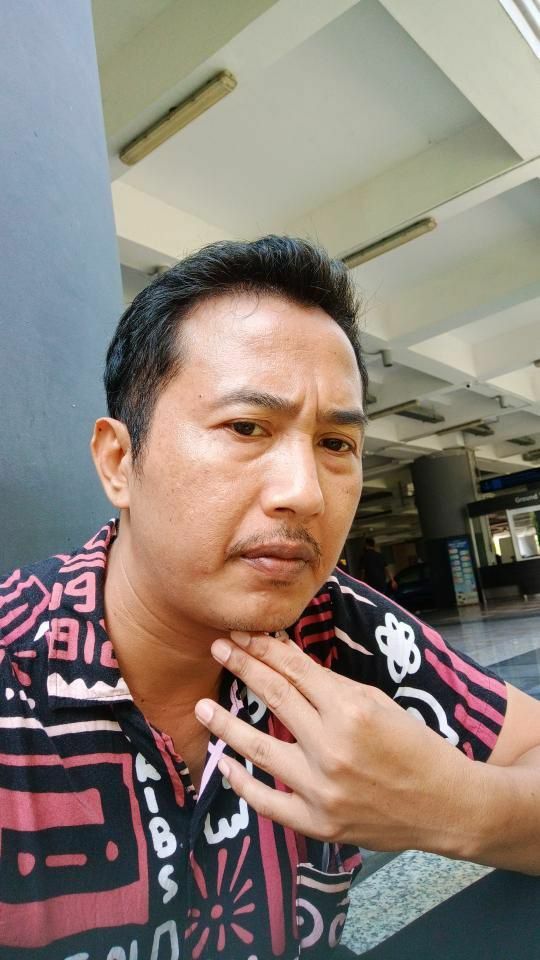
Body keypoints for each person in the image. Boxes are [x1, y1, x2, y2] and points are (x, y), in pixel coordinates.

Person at [1, 236, 540, 960]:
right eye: (247, 428)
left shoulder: (339, 627)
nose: (305, 493)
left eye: (336, 444)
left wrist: (452, 806)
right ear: (120, 461)